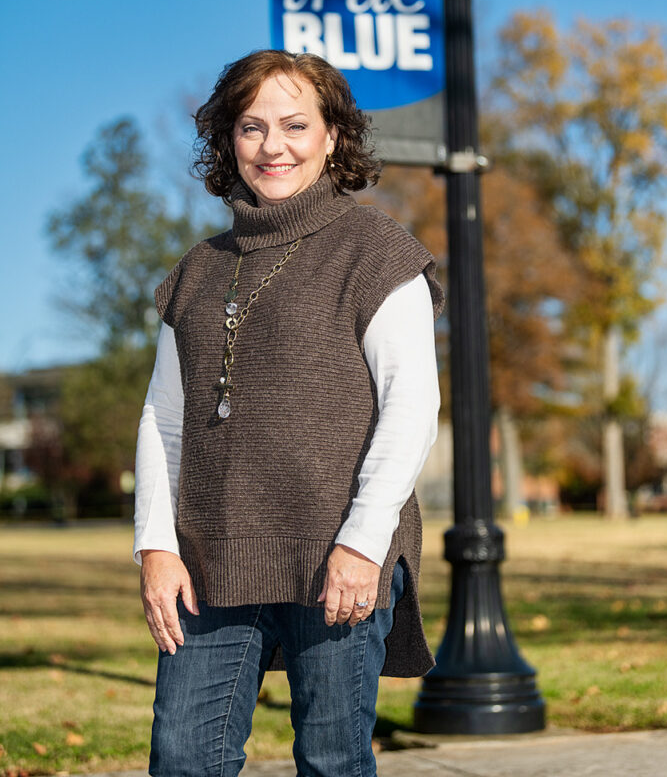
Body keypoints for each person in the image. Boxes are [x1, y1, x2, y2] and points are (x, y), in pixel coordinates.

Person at [134, 49, 444, 777]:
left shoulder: (376, 252)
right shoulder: (197, 270)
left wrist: (364, 545)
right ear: (227, 142)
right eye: (250, 127)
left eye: (296, 124)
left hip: (334, 555)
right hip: (209, 562)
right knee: (183, 758)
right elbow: (164, 419)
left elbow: (413, 406)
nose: (273, 146)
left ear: (333, 136)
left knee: (332, 761)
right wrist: (156, 546)